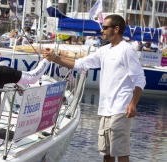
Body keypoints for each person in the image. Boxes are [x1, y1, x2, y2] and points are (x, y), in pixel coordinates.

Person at [43, 14, 146, 162]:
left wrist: (133, 103)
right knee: (106, 153)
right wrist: (56, 59)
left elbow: (140, 79)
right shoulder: (105, 50)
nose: (101, 31)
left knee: (121, 152)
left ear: (116, 29)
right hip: (105, 109)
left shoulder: (127, 50)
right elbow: (80, 64)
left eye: (105, 27)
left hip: (120, 108)